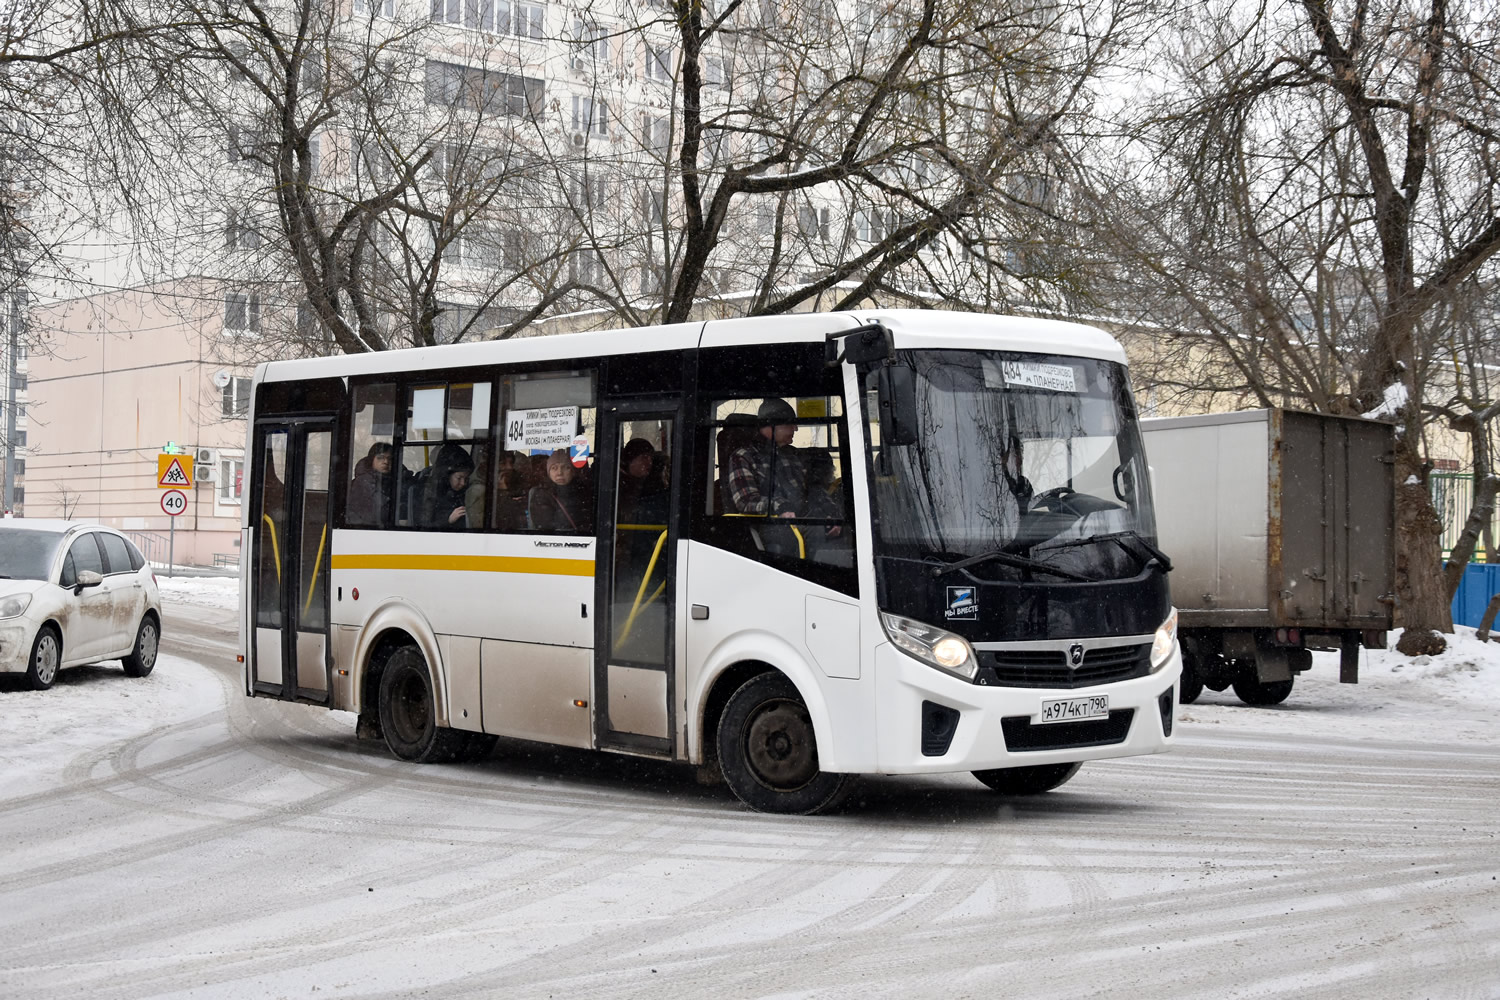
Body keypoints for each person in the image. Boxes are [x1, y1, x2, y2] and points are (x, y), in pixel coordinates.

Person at [727, 398, 841, 554]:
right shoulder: (743, 456)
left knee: (845, 530)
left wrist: (830, 512)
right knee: (816, 532)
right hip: (768, 525)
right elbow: (745, 501)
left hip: (801, 520)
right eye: (790, 424)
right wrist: (779, 506)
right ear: (772, 425)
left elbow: (813, 490)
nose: (796, 429)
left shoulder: (792, 454)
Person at [528, 448, 594, 532]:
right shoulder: (542, 494)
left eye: (565, 467)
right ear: (549, 472)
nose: (559, 472)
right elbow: (546, 526)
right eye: (554, 468)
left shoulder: (584, 492)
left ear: (573, 471)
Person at [418, 443, 474, 530]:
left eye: (466, 478)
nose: (463, 483)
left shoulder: (465, 492)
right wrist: (448, 519)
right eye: (459, 478)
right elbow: (424, 525)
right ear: (447, 475)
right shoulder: (430, 491)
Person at [347, 442, 394, 526]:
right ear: (372, 460)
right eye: (380, 458)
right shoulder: (363, 481)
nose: (386, 462)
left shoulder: (398, 479)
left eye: (390, 458)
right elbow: (375, 514)